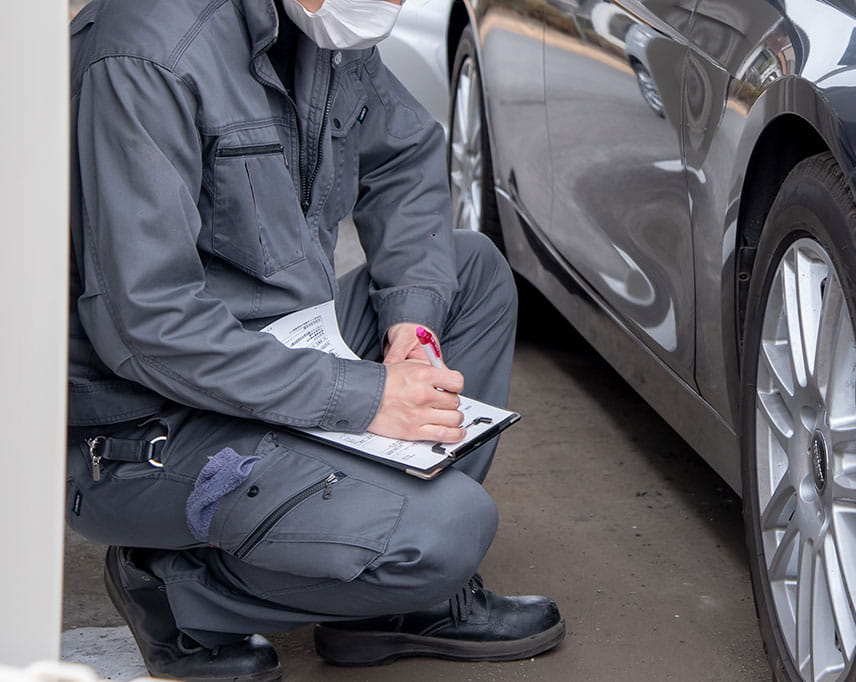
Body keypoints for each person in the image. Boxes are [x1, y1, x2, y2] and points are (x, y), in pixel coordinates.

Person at [66, 0, 565, 679]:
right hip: (151, 427)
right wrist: (361, 397)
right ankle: (174, 587)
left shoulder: (318, 33)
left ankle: (382, 606)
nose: (388, 4)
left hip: (277, 361)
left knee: (472, 269)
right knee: (447, 532)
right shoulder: (149, 54)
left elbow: (404, 157)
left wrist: (410, 330)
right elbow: (147, 326)